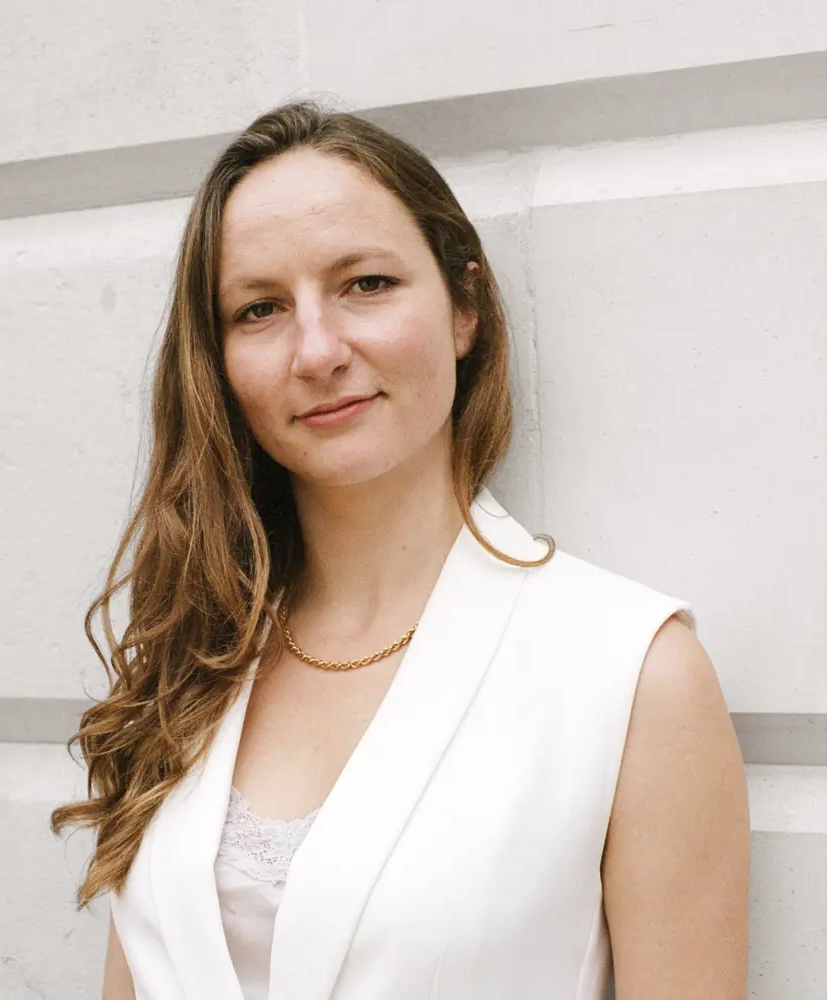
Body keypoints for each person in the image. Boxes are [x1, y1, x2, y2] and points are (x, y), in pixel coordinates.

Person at [51, 99, 750, 1000]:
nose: (317, 351)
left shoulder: (631, 674)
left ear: (465, 307)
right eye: (259, 309)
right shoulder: (194, 653)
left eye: (366, 284)